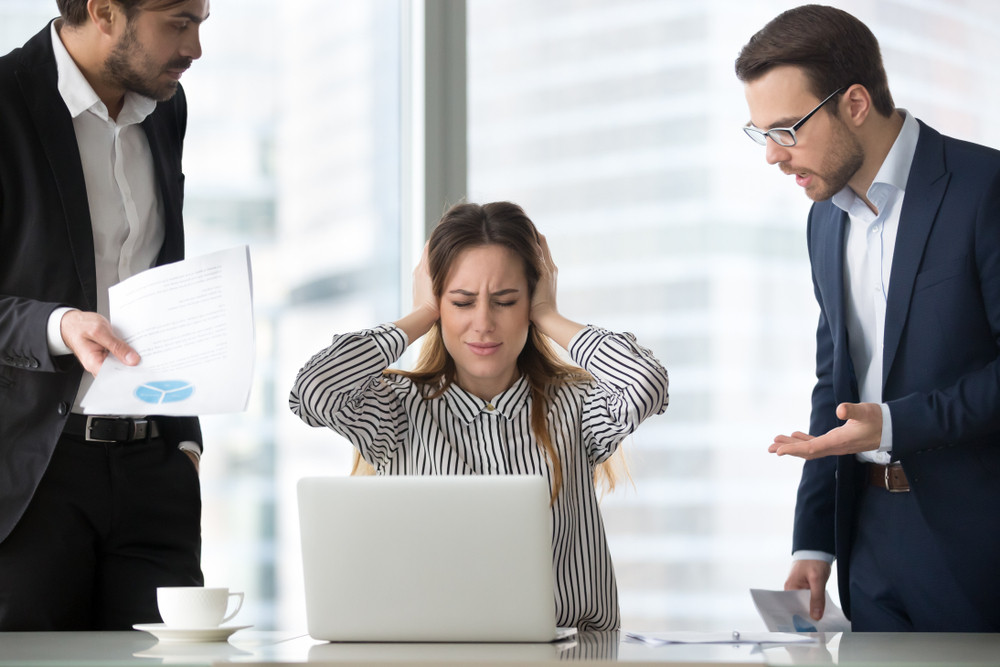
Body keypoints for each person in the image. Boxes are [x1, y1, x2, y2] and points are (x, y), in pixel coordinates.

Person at [735, 4, 1000, 632]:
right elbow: (834, 385)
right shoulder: (823, 220)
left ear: (855, 103)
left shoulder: (984, 188)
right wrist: (814, 541)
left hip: (976, 544)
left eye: (786, 130)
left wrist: (895, 423)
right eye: (760, 133)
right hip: (870, 546)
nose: (772, 156)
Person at [290, 201, 670, 631]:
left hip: (570, 655)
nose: (483, 323)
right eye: (462, 302)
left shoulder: (575, 406)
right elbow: (313, 391)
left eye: (506, 301)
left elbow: (645, 382)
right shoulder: (397, 409)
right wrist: (420, 315)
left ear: (530, 301)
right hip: (432, 654)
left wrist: (549, 315)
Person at [0, 0, 210, 630]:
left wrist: (185, 443)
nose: (195, 48)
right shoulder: (6, 103)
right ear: (104, 12)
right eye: (179, 22)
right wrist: (58, 325)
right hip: (32, 473)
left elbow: (160, 269)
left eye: (201, 23)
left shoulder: (166, 107)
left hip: (154, 467)